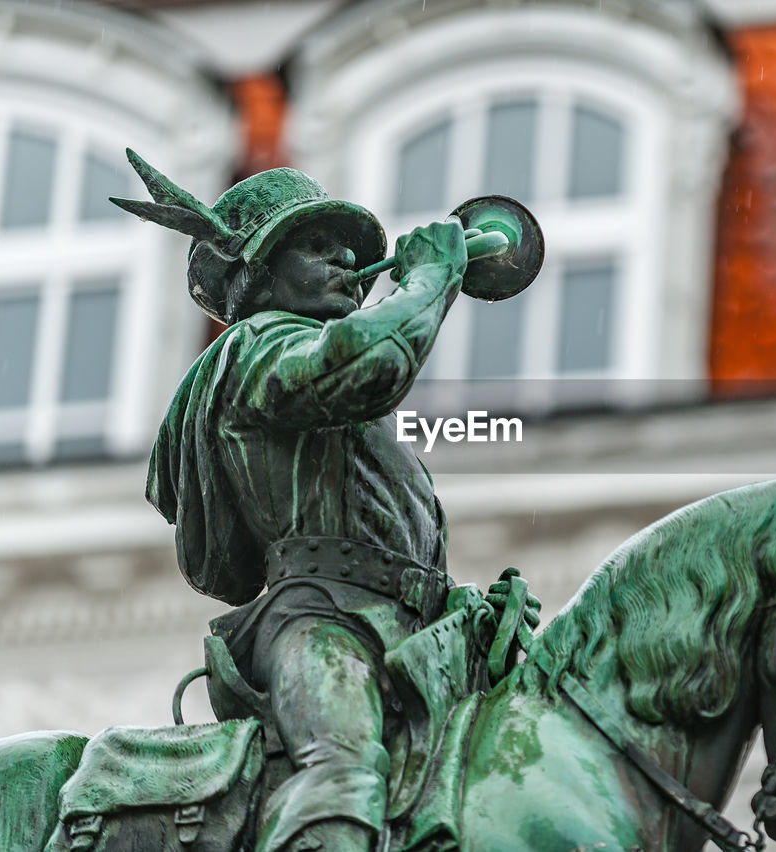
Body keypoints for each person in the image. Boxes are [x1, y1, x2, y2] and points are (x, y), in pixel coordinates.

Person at [112, 151, 532, 852]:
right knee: (344, 771)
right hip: (320, 623)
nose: (342, 258)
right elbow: (365, 365)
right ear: (257, 274)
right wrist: (430, 277)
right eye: (313, 245)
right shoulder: (256, 347)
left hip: (414, 634)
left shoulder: (362, 428)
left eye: (348, 248)